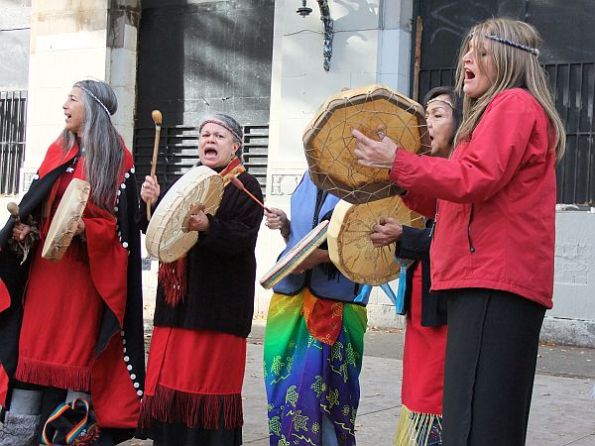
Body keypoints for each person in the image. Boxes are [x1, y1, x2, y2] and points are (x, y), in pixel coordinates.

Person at [353, 18, 565, 445]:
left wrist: (400, 161)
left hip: (494, 282)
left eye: (480, 51)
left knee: (474, 424)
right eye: (467, 50)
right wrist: (398, 176)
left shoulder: (513, 104)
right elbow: (454, 201)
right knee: (478, 420)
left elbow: (474, 179)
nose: (467, 58)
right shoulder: (495, 112)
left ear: (508, 60)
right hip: (487, 281)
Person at [0, 80, 145, 445]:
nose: (65, 105)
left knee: (77, 357)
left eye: (73, 99)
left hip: (85, 277)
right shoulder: (57, 150)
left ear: (93, 108)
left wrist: (86, 229)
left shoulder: (118, 159)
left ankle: (69, 435)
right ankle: (16, 435)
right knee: (30, 352)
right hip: (45, 273)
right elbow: (37, 206)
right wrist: (27, 231)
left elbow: (123, 230)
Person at [138, 113, 264, 446]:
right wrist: (151, 202)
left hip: (216, 310)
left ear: (235, 146)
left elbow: (243, 238)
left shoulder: (245, 186)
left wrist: (209, 226)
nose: (209, 139)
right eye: (205, 134)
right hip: (177, 305)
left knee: (208, 389)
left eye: (219, 136)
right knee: (172, 386)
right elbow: (158, 230)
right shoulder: (187, 183)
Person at [370, 86, 458, 446]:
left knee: (434, 396)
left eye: (438, 115)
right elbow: (426, 208)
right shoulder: (435, 171)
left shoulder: (464, 174)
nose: (428, 124)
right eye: (425, 116)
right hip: (423, 302)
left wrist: (404, 234)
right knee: (417, 391)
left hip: (447, 307)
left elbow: (452, 239)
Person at [263, 172, 367, 446]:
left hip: (338, 304)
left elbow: (370, 246)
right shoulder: (307, 178)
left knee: (331, 400)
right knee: (285, 394)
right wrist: (286, 226)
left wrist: (319, 258)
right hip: (290, 302)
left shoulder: (366, 183)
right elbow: (301, 236)